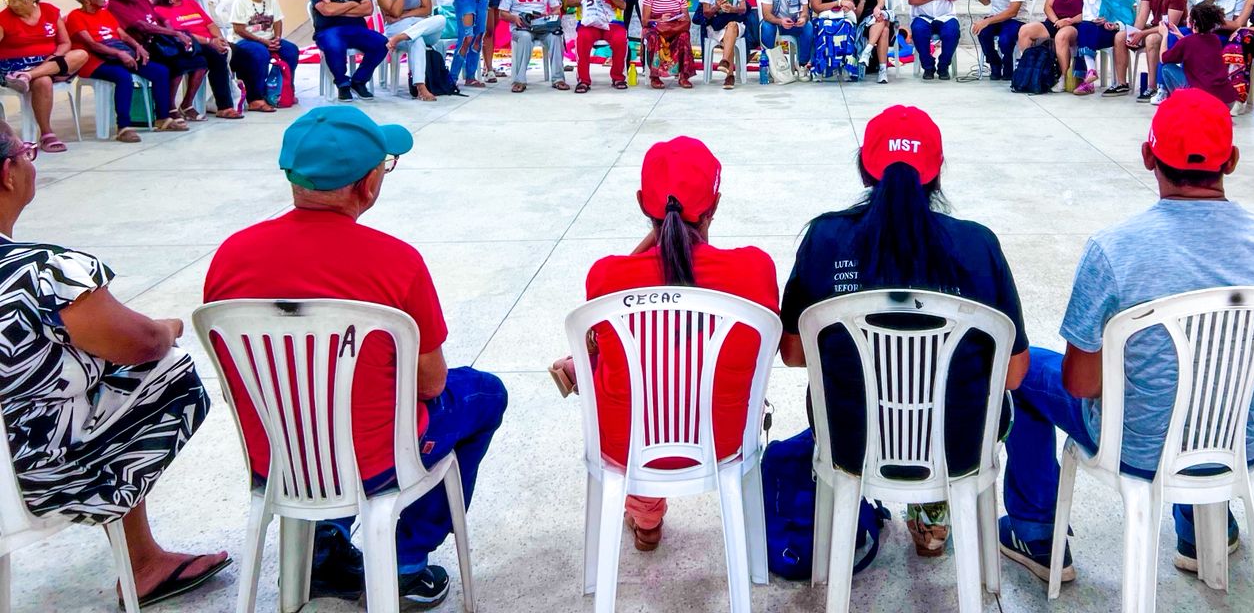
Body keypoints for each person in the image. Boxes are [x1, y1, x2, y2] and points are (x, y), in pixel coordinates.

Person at [994, 89, 1254, 584]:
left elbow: (1080, 384)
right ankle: (1204, 525)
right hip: (1234, 447)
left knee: (1021, 368)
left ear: (1148, 157)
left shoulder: (1113, 250)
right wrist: (1240, 376)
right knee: (1204, 400)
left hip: (1135, 449)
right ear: (1232, 160)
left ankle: (1034, 531)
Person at [204, 106, 507, 608]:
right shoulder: (394, 262)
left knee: (317, 406)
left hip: (278, 458)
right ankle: (405, 562)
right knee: (483, 393)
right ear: (367, 184)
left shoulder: (232, 254)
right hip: (375, 463)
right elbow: (431, 384)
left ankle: (322, 543)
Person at [779, 106, 1030, 559]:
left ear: (864, 168)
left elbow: (795, 354)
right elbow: (1013, 375)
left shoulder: (824, 238)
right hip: (959, 446)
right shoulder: (978, 244)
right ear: (937, 173)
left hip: (850, 440)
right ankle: (932, 521)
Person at [0, 120, 230, 605]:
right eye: (26, 151)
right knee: (167, 369)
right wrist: (166, 327)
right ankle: (142, 563)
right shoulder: (42, 273)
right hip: (30, 480)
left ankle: (142, 557)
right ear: (8, 173)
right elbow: (142, 345)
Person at [553, 138, 777, 551]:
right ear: (716, 202)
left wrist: (652, 238)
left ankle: (645, 515)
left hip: (627, 448)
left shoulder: (606, 279)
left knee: (634, 382)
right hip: (724, 442)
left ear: (642, 203)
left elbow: (628, 275)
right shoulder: (753, 269)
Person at [67, 0, 185, 140]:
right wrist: (119, 54)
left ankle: (163, 118)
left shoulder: (104, 13)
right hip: (94, 61)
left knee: (160, 71)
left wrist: (137, 47)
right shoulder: (75, 16)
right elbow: (92, 45)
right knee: (123, 77)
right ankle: (124, 127)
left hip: (119, 55)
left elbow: (121, 35)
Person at [105, 0, 212, 119]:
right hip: (144, 47)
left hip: (160, 40)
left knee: (201, 60)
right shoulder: (114, 5)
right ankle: (170, 107)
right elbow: (143, 26)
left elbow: (156, 15)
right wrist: (174, 33)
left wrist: (168, 25)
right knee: (177, 64)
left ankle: (187, 104)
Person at [0, 0, 88, 152]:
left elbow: (65, 43)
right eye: (9, 0)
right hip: (14, 68)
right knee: (44, 81)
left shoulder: (49, 11)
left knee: (80, 54)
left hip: (49, 62)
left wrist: (54, 57)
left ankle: (28, 76)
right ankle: (47, 134)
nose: (14, 4)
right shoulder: (3, 18)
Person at [150, 0, 243, 119]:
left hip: (209, 41)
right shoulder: (160, 10)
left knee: (241, 54)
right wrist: (210, 41)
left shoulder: (191, 3)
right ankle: (224, 106)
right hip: (187, 44)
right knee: (216, 57)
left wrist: (219, 38)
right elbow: (180, 34)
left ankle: (252, 97)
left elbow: (210, 23)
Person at [309, 0, 389, 102]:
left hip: (356, 30)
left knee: (382, 43)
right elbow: (326, 11)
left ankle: (359, 81)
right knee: (334, 46)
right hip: (328, 31)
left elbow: (367, 9)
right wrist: (353, 4)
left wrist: (336, 8)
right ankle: (343, 84)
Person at [373, 0, 448, 101]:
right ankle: (421, 87)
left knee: (440, 19)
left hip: (421, 26)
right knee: (417, 40)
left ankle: (402, 37)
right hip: (397, 28)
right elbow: (394, 11)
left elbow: (427, 9)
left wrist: (403, 15)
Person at [227, 0, 301, 112]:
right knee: (260, 54)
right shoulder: (241, 2)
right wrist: (263, 41)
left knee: (291, 50)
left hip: (270, 39)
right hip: (246, 40)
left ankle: (286, 90)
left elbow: (278, 20)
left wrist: (277, 38)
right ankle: (257, 96)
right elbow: (239, 29)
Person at [1116, 0, 1187, 100]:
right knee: (1120, 36)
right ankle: (1122, 83)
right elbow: (1142, 17)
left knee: (1152, 39)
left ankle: (1153, 87)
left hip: (1174, 31)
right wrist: (1133, 33)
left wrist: (1142, 34)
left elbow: (1169, 25)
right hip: (1155, 26)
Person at [1017, 0, 1090, 93]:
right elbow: (1047, 6)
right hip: (1053, 22)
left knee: (1061, 36)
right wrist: (1056, 21)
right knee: (1025, 30)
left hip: (1074, 25)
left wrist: (1069, 21)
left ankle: (1063, 77)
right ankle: (1027, 68)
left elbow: (1088, 13)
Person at [500, 0, 569, 93]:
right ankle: (519, 80)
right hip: (521, 28)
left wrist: (548, 15)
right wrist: (514, 18)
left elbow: (557, 9)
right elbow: (502, 13)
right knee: (525, 38)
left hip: (542, 26)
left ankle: (558, 79)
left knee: (556, 37)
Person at [1072, 0, 1136, 96]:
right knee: (1084, 26)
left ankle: (1088, 79)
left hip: (1114, 32)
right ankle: (1091, 71)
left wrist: (1114, 24)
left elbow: (1129, 19)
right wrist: (1097, 20)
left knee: (1085, 32)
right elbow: (1087, 15)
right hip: (1094, 30)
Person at [567, 0, 627, 93]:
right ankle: (583, 80)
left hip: (612, 23)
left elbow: (623, 5)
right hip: (589, 22)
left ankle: (618, 77)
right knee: (582, 39)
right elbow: (569, 2)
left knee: (620, 40)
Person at [1157, 3, 1236, 108]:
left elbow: (1163, 59)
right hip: (1226, 100)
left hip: (1203, 98)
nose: (1187, 18)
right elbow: (1196, 45)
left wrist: (1165, 35)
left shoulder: (1187, 41)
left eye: (1189, 16)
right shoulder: (1215, 39)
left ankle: (1179, 103)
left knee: (1166, 68)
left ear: (1194, 22)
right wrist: (1180, 35)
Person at [697, 0, 750, 90]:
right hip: (715, 26)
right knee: (729, 36)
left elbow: (743, 8)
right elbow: (706, 12)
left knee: (732, 26)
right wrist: (717, 7)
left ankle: (725, 62)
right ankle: (729, 75)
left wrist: (732, 9)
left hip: (736, 23)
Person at [907, 0, 961, 81]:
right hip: (923, 17)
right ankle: (928, 67)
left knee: (952, 32)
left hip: (946, 17)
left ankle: (943, 66)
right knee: (918, 31)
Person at [640, 0, 695, 89]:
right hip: (656, 28)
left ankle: (684, 76)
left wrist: (680, 17)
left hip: (674, 28)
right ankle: (655, 76)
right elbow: (645, 21)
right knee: (653, 37)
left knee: (684, 36)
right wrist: (659, 19)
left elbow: (686, 18)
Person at [809, 0, 859, 80]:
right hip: (821, 20)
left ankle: (848, 67)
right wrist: (838, 3)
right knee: (826, 26)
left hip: (842, 18)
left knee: (846, 25)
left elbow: (850, 5)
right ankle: (821, 68)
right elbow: (817, 8)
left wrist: (846, 6)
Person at [759, 0, 814, 74]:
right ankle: (771, 64)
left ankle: (802, 64)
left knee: (808, 26)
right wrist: (780, 21)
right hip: (774, 22)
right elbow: (766, 15)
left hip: (792, 22)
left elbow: (805, 12)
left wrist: (803, 19)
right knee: (766, 27)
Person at [849, 0, 893, 84]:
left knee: (882, 19)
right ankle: (882, 70)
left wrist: (878, 8)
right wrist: (862, 0)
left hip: (878, 14)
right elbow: (855, 15)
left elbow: (880, 0)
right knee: (884, 30)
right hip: (864, 22)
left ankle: (867, 52)